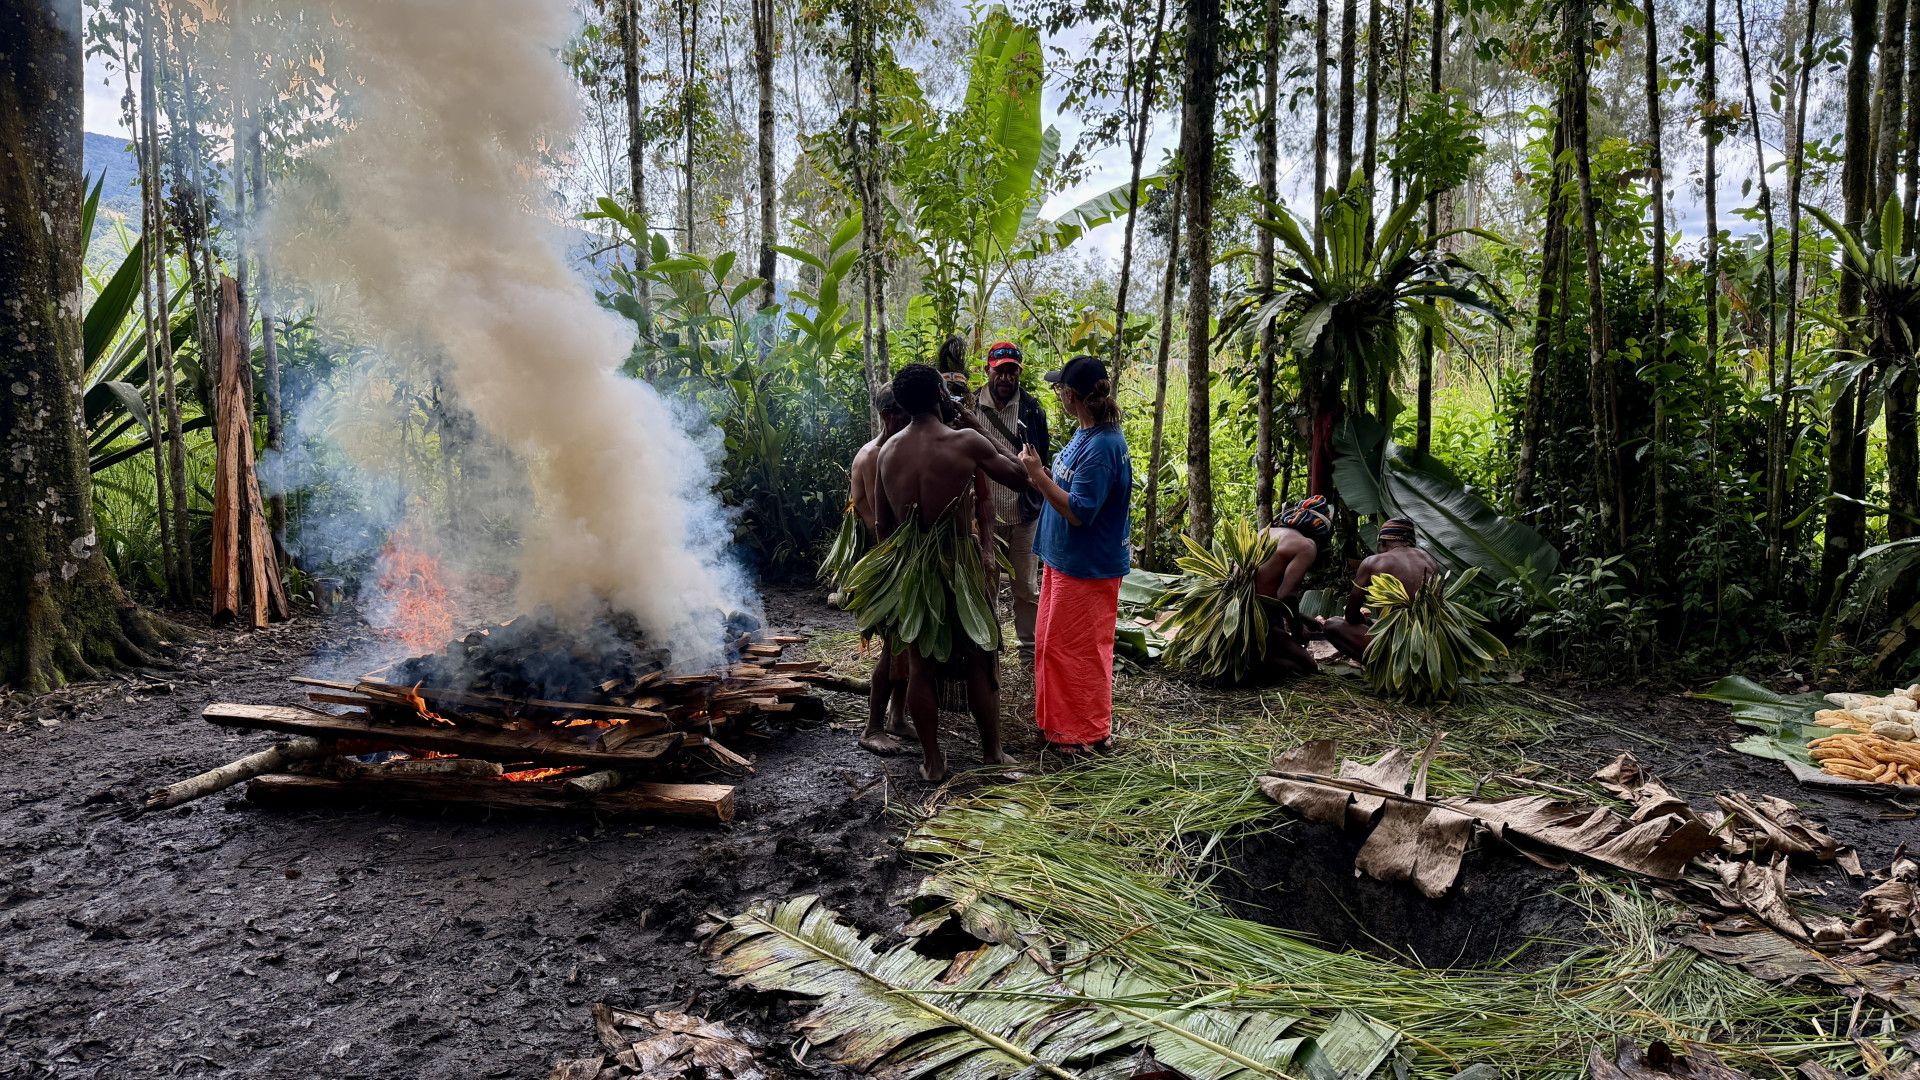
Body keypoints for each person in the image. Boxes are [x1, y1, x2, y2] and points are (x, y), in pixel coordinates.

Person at [865, 364, 1031, 781]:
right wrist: (979, 428)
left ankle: (933, 761)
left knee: (920, 666)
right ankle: (992, 752)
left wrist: (897, 573)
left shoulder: (887, 452)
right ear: (941, 392)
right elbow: (1019, 476)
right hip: (958, 563)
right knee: (980, 656)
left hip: (912, 568)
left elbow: (884, 526)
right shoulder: (966, 441)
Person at [1019, 355, 1132, 756]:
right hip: (1064, 560)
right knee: (1051, 645)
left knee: (1078, 651)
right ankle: (1059, 727)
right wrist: (1043, 473)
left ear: (1070, 397)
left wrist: (1036, 476)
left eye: (1059, 389)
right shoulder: (1085, 433)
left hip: (1087, 567)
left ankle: (1084, 732)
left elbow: (1079, 511)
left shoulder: (1103, 446)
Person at [974, 342, 1051, 660]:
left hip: (1024, 513)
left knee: (1026, 586)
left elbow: (1040, 460)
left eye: (1011, 371)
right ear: (988, 370)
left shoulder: (1032, 409)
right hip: (983, 511)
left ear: (1019, 373)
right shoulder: (970, 405)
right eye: (1000, 370)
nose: (1005, 377)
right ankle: (988, 644)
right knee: (984, 581)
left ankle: (1028, 648)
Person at [847, 388, 913, 754]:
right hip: (885, 563)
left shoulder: (892, 450)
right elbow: (874, 519)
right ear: (890, 416)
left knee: (905, 643)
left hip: (898, 559)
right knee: (893, 647)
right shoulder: (874, 455)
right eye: (905, 415)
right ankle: (872, 727)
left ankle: (897, 718)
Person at [1323, 517, 1440, 664]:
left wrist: (1362, 619)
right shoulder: (1429, 560)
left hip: (1397, 649)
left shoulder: (1374, 562)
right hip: (1430, 644)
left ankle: (1384, 668)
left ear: (1382, 542)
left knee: (1332, 625)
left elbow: (1351, 616)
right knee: (1375, 623)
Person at [1254, 495, 1333, 677]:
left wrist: (1305, 619)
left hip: (1240, 615)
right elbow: (1286, 596)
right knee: (1309, 668)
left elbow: (1267, 589)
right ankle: (1258, 662)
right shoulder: (1306, 545)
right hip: (1263, 621)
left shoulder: (1265, 533)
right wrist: (1298, 630)